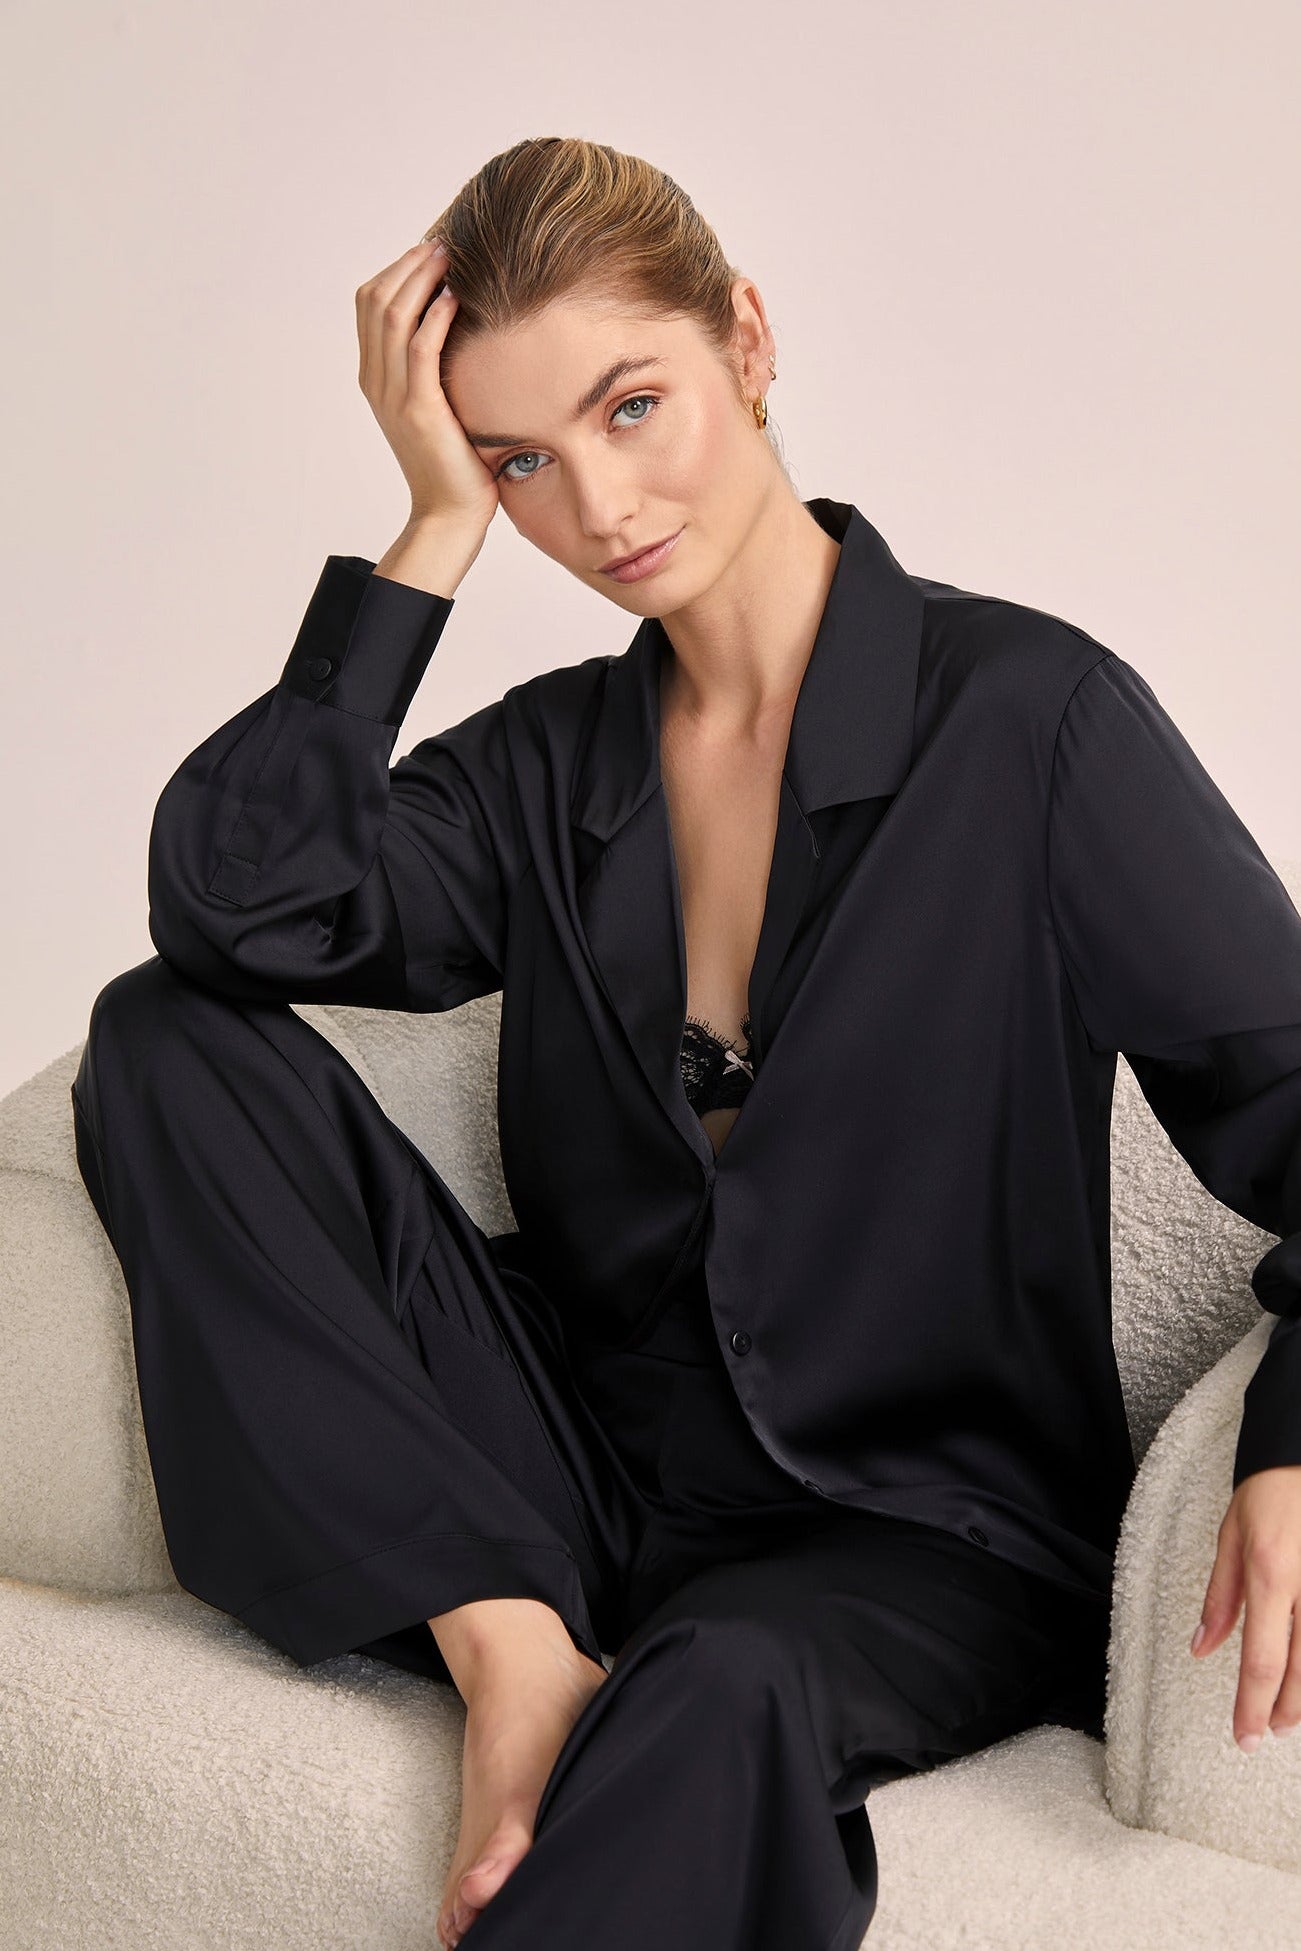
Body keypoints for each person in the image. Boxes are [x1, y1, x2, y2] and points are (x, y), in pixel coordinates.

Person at [69, 137, 1301, 1951]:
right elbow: (236, 915)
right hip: (572, 1478)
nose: (598, 506)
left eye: (631, 405)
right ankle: (511, 1647)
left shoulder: (1028, 720)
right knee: (160, 1035)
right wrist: (424, 535)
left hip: (913, 1533)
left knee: (723, 1684)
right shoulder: (543, 759)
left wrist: (1289, 1428)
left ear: (749, 337)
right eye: (521, 462)